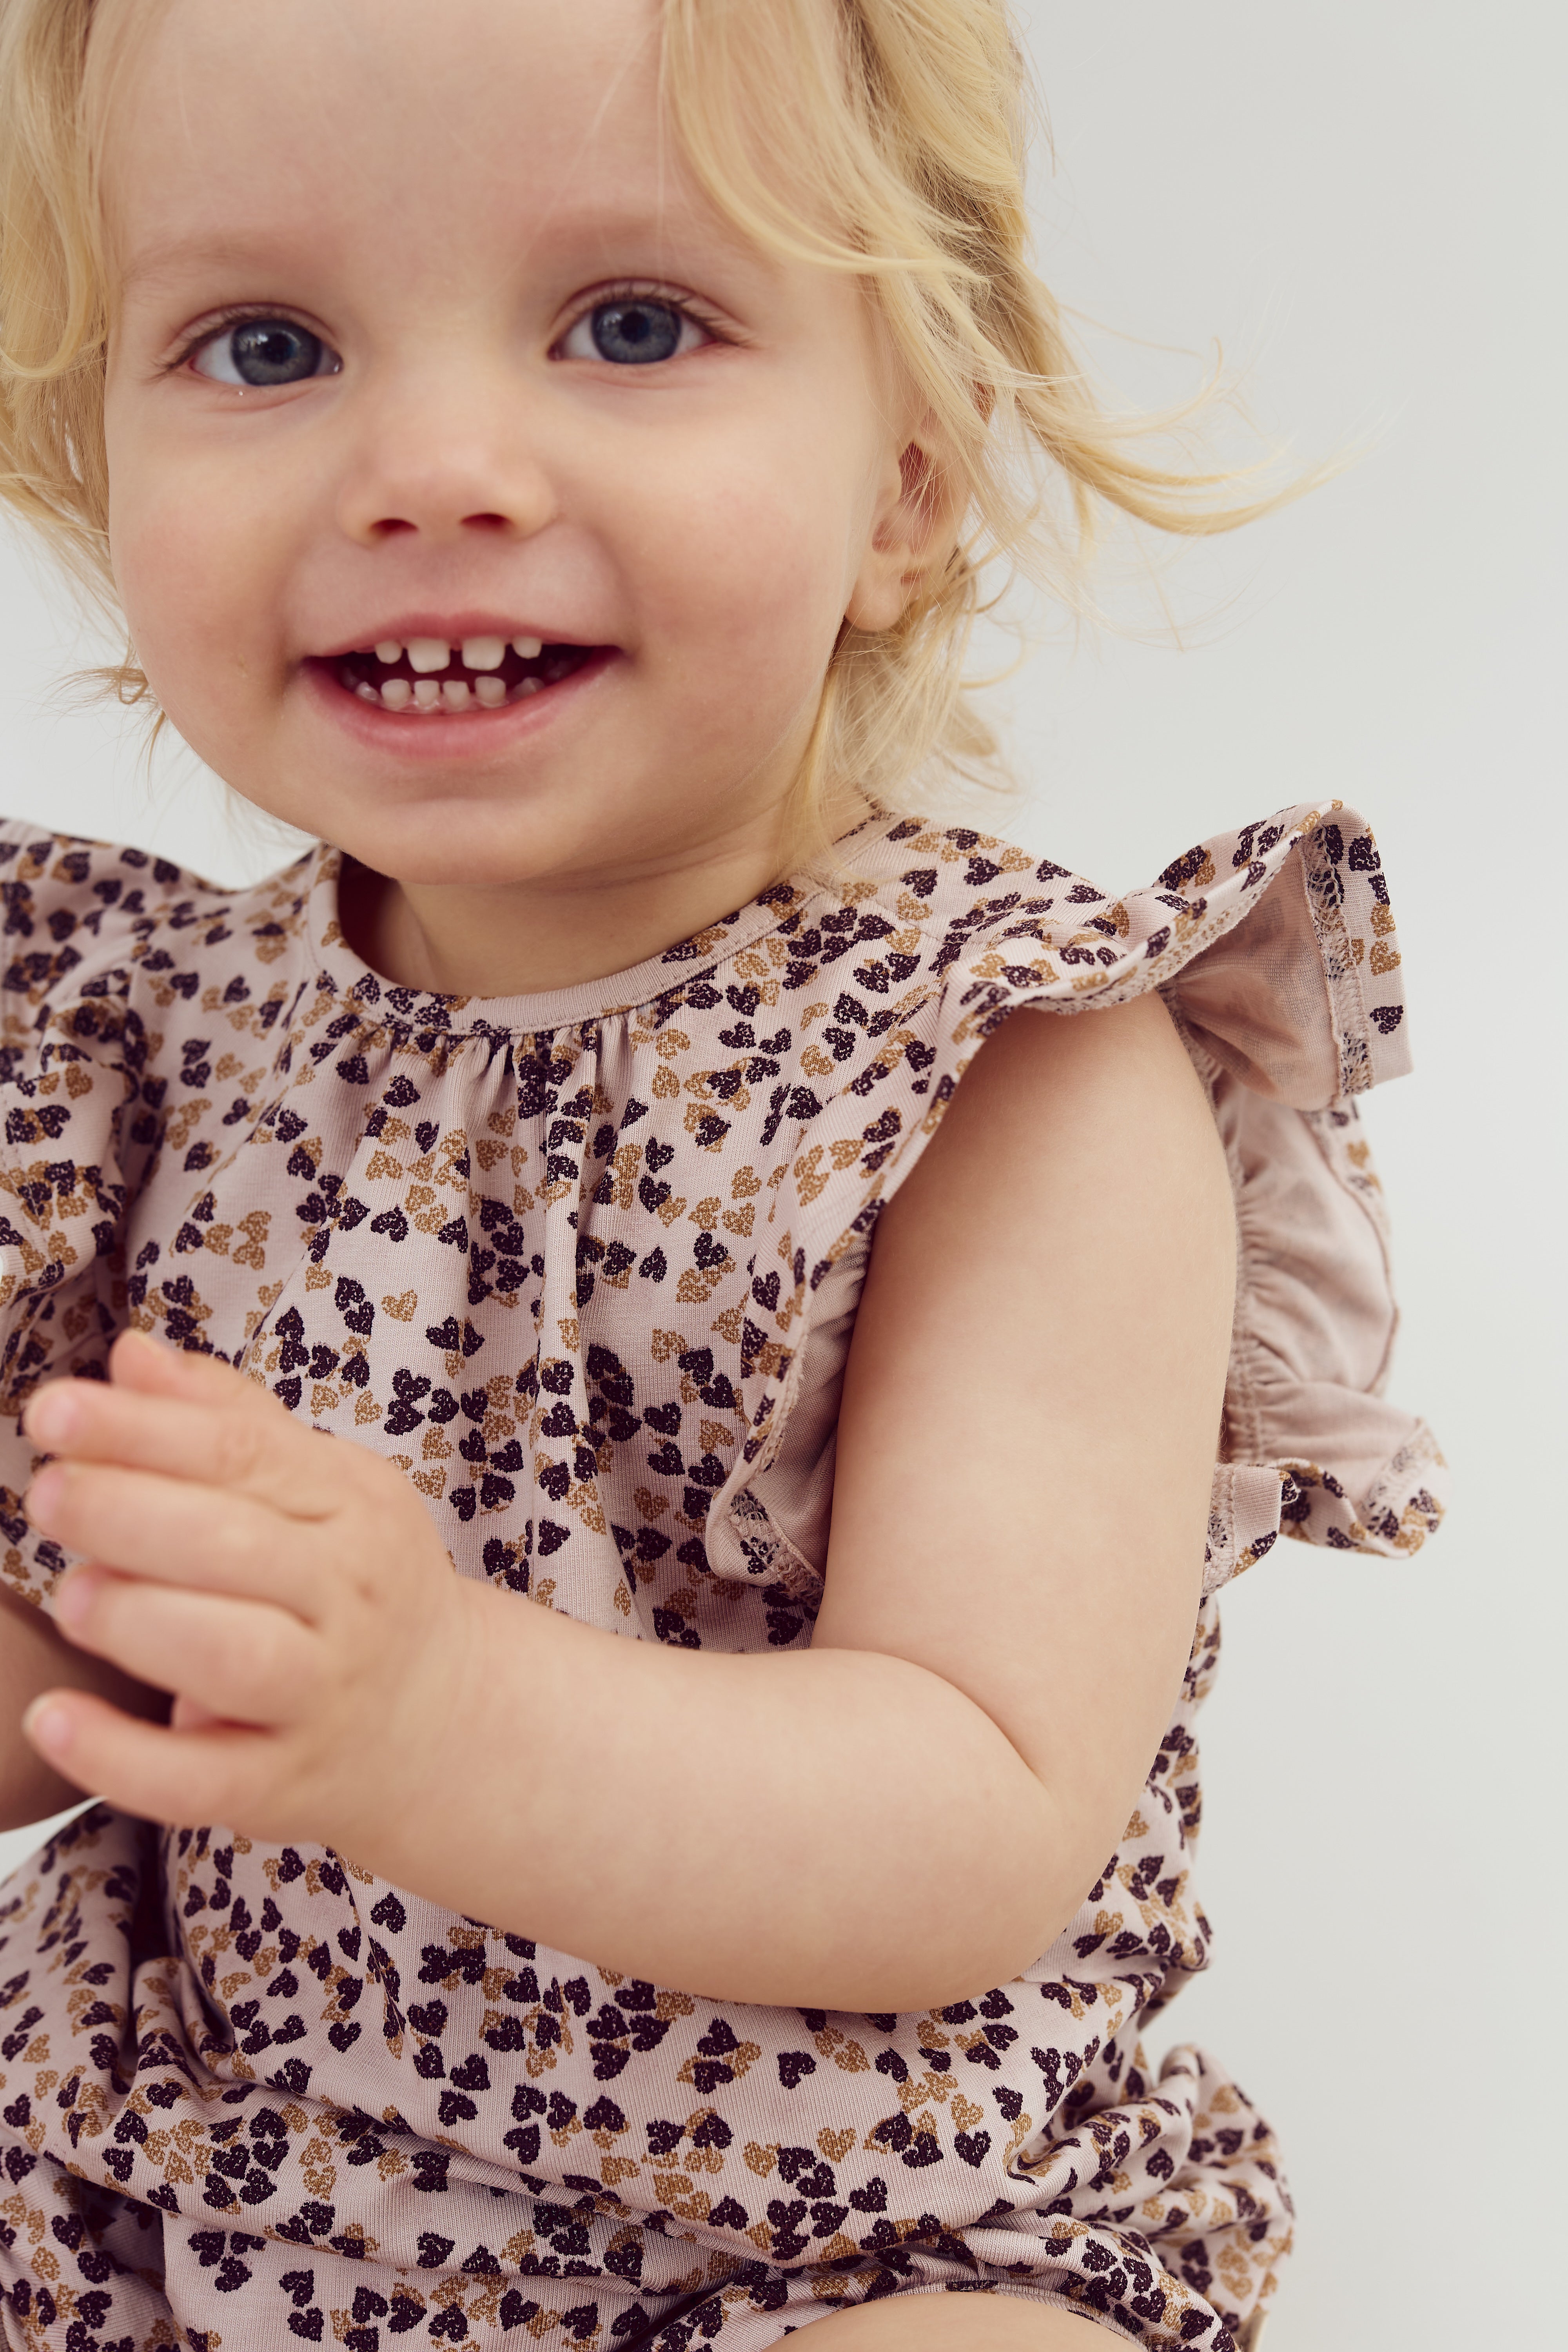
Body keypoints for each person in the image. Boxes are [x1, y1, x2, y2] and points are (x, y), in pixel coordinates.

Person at [0, 1, 1444, 2346]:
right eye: (265, 343)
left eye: (634, 324)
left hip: (841, 2232)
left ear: (907, 484)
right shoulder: (147, 1032)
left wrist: (438, 1713)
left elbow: (975, 1812)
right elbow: (83, 1635)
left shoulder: (1009, 1080)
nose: (432, 465)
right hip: (209, 2157)